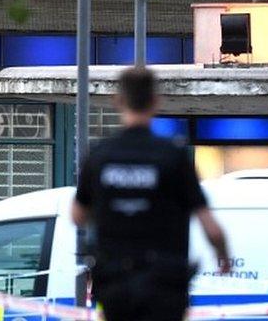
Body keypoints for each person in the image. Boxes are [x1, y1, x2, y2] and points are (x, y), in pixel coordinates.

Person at [72, 66, 231, 321]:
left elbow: (77, 215)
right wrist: (223, 255)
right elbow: (211, 227)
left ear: (118, 101)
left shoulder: (100, 155)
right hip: (164, 286)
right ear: (155, 102)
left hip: (116, 284)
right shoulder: (174, 156)